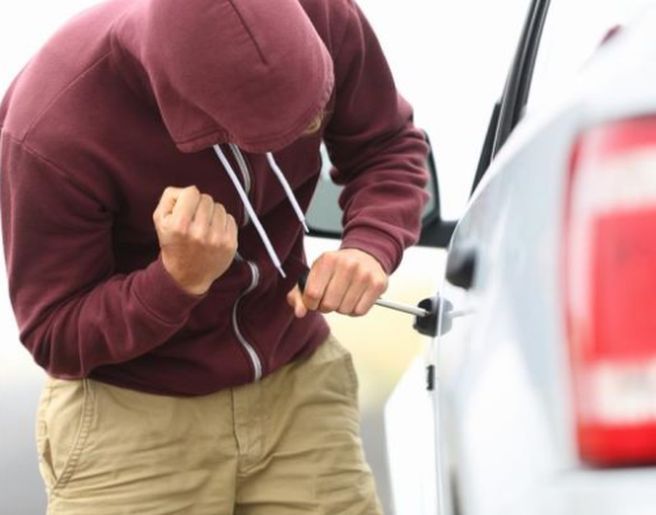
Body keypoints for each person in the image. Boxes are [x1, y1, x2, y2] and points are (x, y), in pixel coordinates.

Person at [0, 0, 428, 512]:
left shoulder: (324, 13)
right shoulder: (50, 128)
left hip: (299, 386)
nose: (309, 128)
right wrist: (175, 282)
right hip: (133, 421)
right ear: (193, 115)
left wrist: (370, 246)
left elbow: (385, 143)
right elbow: (55, 331)